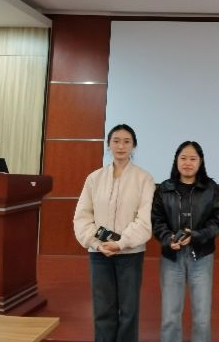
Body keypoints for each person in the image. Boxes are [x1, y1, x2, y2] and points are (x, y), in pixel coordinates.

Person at [73, 124, 155, 342]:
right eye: (116, 141)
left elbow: (144, 220)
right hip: (99, 254)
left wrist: (121, 243)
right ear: (108, 145)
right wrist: (97, 243)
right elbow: (82, 217)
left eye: (127, 141)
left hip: (130, 254)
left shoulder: (144, 179)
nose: (121, 146)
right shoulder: (94, 178)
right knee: (103, 310)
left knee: (129, 311)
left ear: (134, 146)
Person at [151, 141, 219, 342]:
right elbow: (157, 220)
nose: (187, 163)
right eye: (183, 158)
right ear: (176, 161)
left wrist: (197, 236)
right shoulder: (164, 188)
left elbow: (217, 222)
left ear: (200, 162)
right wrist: (168, 239)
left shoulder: (210, 188)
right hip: (171, 257)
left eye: (193, 158)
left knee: (202, 318)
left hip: (201, 256)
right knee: (170, 317)